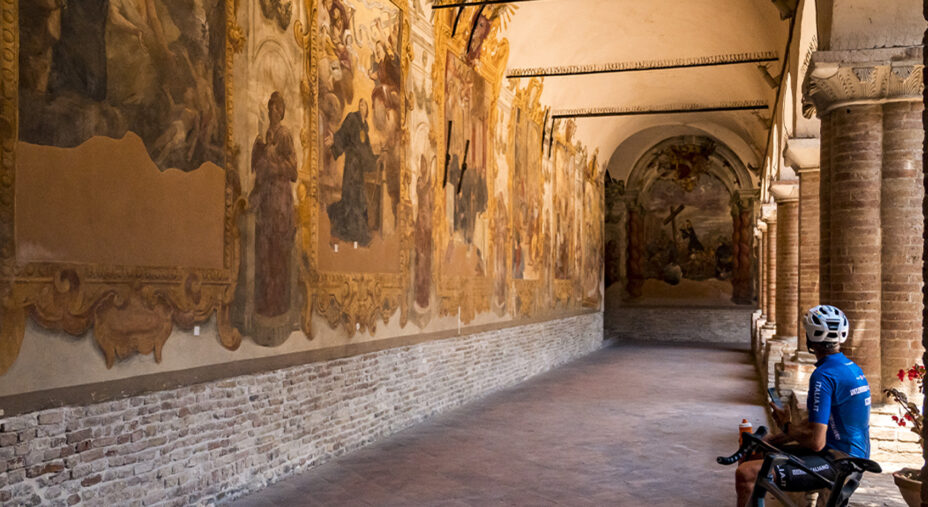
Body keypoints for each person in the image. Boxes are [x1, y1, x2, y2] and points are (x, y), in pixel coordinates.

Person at [735, 305, 871, 506]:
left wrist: (786, 426)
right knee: (760, 452)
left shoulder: (823, 376)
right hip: (847, 455)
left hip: (839, 463)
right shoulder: (849, 368)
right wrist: (776, 439)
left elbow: (816, 442)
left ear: (809, 339)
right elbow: (817, 421)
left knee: (746, 473)